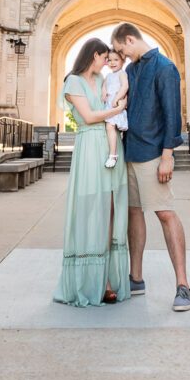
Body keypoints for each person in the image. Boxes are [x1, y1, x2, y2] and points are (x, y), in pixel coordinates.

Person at [111, 21, 190, 312]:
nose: (123, 57)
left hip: (153, 154)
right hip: (129, 152)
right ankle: (136, 278)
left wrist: (167, 155)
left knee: (165, 213)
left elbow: (172, 114)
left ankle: (183, 285)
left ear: (130, 40)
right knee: (134, 213)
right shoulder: (131, 71)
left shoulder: (164, 67)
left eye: (123, 50)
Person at [53, 37, 130, 307]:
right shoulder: (73, 81)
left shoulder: (102, 80)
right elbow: (87, 116)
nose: (106, 62)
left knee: (109, 209)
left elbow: (120, 89)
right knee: (89, 208)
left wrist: (117, 106)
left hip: (110, 145)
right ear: (94, 55)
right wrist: (116, 110)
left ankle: (107, 280)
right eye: (103, 57)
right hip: (88, 146)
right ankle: (86, 280)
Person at [102, 48, 128, 169]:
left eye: (116, 60)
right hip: (109, 106)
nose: (112, 62)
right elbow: (104, 86)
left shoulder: (122, 73)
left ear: (123, 61)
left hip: (117, 104)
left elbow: (125, 86)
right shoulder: (108, 76)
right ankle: (114, 152)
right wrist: (104, 92)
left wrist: (117, 98)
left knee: (110, 127)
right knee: (110, 128)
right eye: (109, 60)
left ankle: (113, 155)